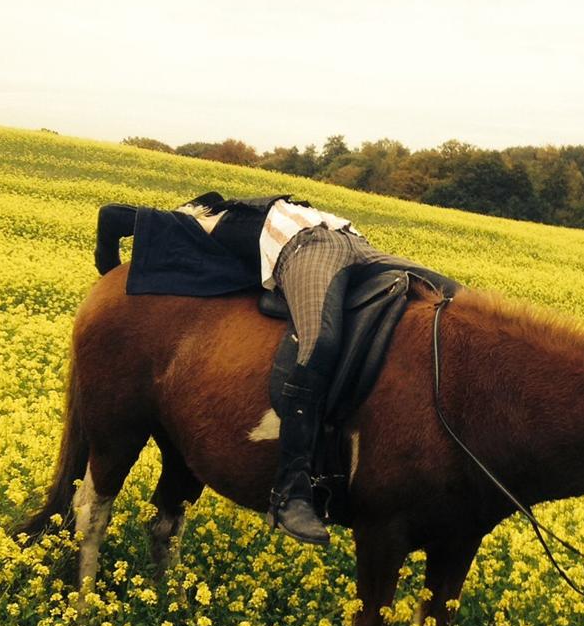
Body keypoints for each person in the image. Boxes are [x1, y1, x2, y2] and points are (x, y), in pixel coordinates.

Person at [94, 192, 408, 546]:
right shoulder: (256, 216)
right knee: (326, 336)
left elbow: (113, 216)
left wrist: (106, 267)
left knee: (323, 336)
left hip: (329, 244)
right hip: (346, 242)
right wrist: (111, 286)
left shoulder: (209, 222)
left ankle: (300, 482)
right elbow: (116, 217)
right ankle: (292, 484)